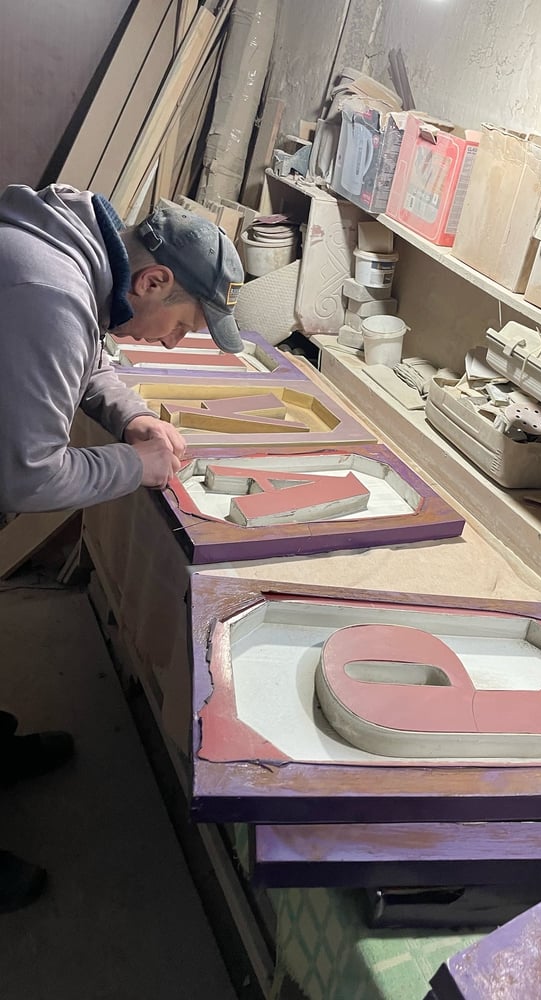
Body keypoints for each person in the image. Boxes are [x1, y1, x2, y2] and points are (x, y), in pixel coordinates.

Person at [0, 183, 245, 910]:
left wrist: (134, 418)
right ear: (154, 281)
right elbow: (26, 473)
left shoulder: (76, 254)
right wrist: (136, 466)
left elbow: (84, 357)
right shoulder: (51, 290)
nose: (173, 342)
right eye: (184, 325)